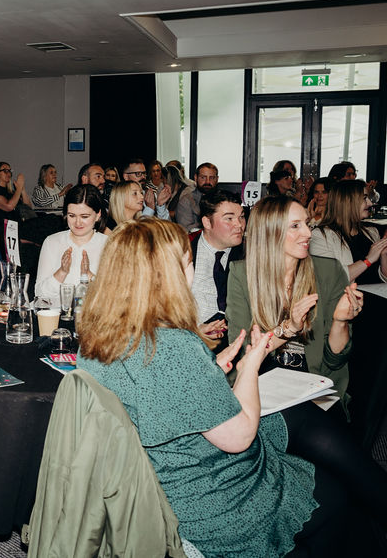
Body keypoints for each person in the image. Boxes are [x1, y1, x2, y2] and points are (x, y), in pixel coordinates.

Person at [77, 218, 323, 557]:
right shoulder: (173, 344)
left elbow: (150, 390)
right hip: (208, 500)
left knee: (302, 424)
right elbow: (239, 438)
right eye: (188, 262)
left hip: (152, 481)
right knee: (335, 499)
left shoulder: (94, 342)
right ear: (169, 276)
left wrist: (210, 370)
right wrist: (250, 365)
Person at [226, 195, 363, 411]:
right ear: (270, 232)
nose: (308, 233)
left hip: (315, 391)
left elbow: (335, 361)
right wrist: (289, 328)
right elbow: (243, 352)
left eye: (307, 224)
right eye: (295, 226)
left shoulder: (328, 271)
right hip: (262, 385)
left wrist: (340, 321)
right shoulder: (243, 274)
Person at [190, 190, 245, 342]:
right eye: (229, 219)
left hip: (234, 340)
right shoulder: (183, 251)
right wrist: (192, 331)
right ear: (207, 223)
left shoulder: (248, 255)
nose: (239, 225)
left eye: (241, 217)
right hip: (190, 339)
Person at [33, 185, 106, 301]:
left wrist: (89, 275)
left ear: (98, 215)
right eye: (72, 216)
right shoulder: (52, 242)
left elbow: (114, 296)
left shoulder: (109, 245)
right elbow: (40, 293)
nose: (77, 222)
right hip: (56, 311)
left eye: (84, 216)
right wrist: (62, 272)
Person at [309, 180, 387, 285]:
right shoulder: (321, 236)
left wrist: (383, 255)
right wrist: (368, 260)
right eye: (364, 198)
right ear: (347, 202)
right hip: (349, 294)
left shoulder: (371, 232)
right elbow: (329, 279)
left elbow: (383, 278)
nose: (370, 203)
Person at [174, 162, 219, 232]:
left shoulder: (223, 200)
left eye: (212, 178)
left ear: (217, 179)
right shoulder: (187, 201)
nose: (207, 182)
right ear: (195, 178)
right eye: (203, 177)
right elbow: (186, 229)